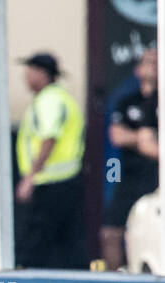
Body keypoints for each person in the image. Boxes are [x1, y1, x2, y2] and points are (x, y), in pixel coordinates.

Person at [15, 52, 87, 270]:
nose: (25, 77)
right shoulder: (61, 98)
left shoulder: (49, 100)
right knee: (68, 242)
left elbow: (49, 137)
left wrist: (30, 177)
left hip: (50, 183)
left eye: (30, 72)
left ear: (43, 74)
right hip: (65, 181)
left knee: (35, 245)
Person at [101, 47, 158, 271]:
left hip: (155, 178)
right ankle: (114, 279)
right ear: (138, 69)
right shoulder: (126, 101)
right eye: (148, 61)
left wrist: (146, 142)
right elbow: (116, 136)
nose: (153, 65)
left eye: (157, 61)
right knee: (110, 232)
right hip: (126, 174)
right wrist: (142, 137)